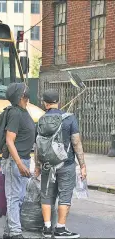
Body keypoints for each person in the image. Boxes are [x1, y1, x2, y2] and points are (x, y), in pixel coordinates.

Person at [35, 89, 87, 239]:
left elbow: (37, 145)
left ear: (45, 103)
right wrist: (82, 165)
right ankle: (60, 229)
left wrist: (38, 166)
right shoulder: (69, 119)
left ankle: (46, 228)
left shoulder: (41, 120)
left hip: (46, 165)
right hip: (67, 163)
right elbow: (76, 143)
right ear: (58, 101)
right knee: (65, 195)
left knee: (46, 195)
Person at [2, 83, 35, 239]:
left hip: (24, 159)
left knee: (19, 197)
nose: (27, 90)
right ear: (20, 96)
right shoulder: (15, 113)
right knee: (14, 197)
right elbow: (10, 141)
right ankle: (15, 232)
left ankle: (9, 231)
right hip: (15, 161)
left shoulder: (24, 111)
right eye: (24, 90)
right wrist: (20, 164)